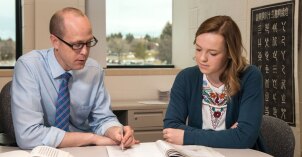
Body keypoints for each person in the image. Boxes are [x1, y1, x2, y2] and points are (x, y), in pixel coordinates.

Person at [11, 7, 138, 149]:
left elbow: (103, 118)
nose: (84, 52)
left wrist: (115, 130)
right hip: (45, 152)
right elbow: (28, 136)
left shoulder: (93, 70)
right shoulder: (29, 67)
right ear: (55, 41)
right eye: (77, 44)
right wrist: (92, 138)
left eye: (89, 43)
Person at [163, 15, 266, 152]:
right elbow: (171, 129)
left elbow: (245, 137)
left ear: (230, 53)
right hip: (199, 154)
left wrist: (186, 135)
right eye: (198, 49)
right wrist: (228, 136)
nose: (202, 58)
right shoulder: (186, 77)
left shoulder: (250, 76)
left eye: (213, 53)